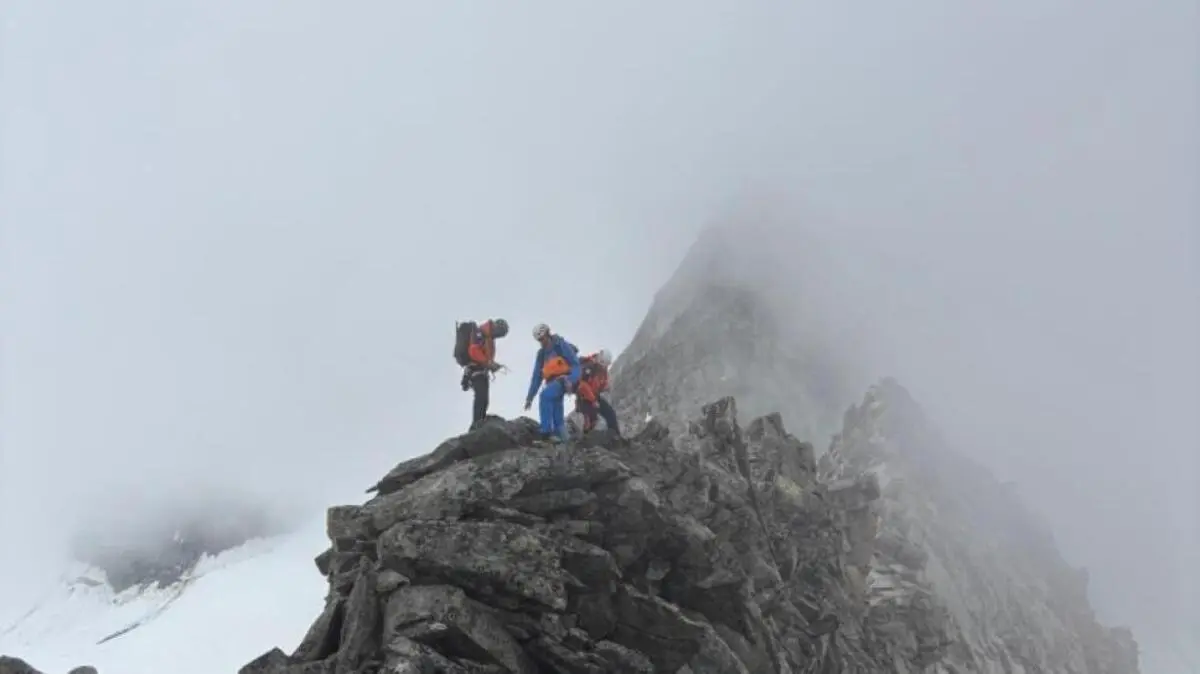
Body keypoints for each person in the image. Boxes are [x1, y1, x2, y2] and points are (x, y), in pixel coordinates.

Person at [524, 322, 581, 443]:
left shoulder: (560, 345)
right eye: (539, 340)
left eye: (543, 338)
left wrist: (570, 380)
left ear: (548, 334)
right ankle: (565, 441)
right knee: (557, 416)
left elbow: (575, 364)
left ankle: (546, 433)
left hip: (563, 380)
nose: (542, 342)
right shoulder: (541, 355)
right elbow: (537, 377)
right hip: (551, 383)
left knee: (545, 396)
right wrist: (529, 398)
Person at [454, 318, 509, 428]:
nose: (498, 336)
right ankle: (477, 423)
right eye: (500, 333)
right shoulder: (481, 333)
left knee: (483, 398)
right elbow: (473, 351)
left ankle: (479, 422)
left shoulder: (488, 337)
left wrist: (491, 365)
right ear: (496, 328)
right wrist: (488, 363)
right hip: (476, 370)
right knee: (481, 397)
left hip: (479, 370)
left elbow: (484, 356)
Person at [575, 348, 621, 436]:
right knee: (591, 419)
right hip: (584, 398)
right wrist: (593, 400)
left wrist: (605, 387)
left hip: (594, 397)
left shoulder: (602, 369)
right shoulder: (589, 366)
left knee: (610, 413)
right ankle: (585, 439)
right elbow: (583, 385)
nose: (605, 367)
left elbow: (602, 382)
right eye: (604, 364)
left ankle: (615, 436)